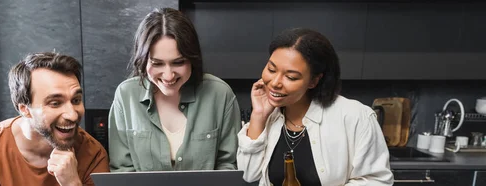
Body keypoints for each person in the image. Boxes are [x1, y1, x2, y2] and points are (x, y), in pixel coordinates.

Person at [237, 28, 393, 185]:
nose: (275, 82)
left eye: (291, 77)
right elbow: (249, 176)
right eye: (271, 69)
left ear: (314, 81)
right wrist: (258, 116)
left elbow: (377, 181)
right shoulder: (269, 116)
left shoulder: (356, 116)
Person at [108, 7, 241, 172]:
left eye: (178, 62)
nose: (169, 75)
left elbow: (228, 165)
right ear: (143, 61)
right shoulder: (125, 96)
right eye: (157, 63)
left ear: (193, 59)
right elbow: (122, 170)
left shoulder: (220, 95)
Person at [0, 52, 109, 186]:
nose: (72, 115)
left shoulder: (93, 154)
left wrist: (72, 183)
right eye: (55, 103)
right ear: (25, 109)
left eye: (76, 100)